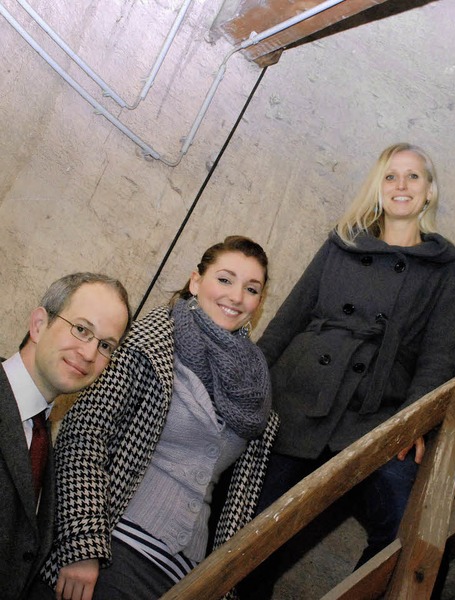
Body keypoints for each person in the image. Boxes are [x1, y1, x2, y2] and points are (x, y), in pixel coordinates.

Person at [243, 143, 455, 597]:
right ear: (378, 188)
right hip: (300, 393)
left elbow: (439, 357)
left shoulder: (450, 269)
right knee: (253, 529)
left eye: (413, 177)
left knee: (404, 526)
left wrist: (413, 422)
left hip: (377, 413)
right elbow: (290, 316)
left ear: (430, 192)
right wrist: (252, 381)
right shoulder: (342, 243)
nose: (401, 186)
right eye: (391, 176)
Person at [31, 236, 278, 600]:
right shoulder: (150, 342)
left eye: (251, 288)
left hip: (187, 577)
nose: (237, 297)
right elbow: (83, 433)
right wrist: (82, 545)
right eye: (225, 279)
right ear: (196, 281)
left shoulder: (254, 383)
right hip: (112, 551)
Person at [1, 272, 131, 600]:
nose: (89, 354)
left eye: (105, 346)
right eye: (81, 329)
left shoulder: (43, 439)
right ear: (39, 324)